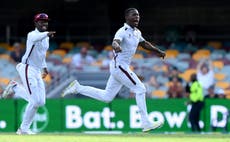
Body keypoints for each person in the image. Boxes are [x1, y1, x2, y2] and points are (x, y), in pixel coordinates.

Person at [62, 8, 165, 132]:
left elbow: (144, 44)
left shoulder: (137, 32)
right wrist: (116, 47)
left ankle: (78, 88)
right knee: (140, 88)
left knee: (107, 97)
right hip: (120, 66)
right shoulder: (122, 31)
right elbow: (115, 42)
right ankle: (145, 123)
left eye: (138, 15)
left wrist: (158, 51)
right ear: (127, 17)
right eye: (134, 15)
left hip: (120, 67)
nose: (137, 17)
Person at [2, 13, 55, 134]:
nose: (44, 23)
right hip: (27, 68)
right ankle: (23, 129)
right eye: (41, 21)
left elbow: (42, 54)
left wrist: (44, 67)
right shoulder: (32, 35)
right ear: (36, 23)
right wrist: (47, 33)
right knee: (35, 102)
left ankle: (15, 87)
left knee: (41, 102)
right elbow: (37, 38)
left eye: (46, 21)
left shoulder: (45, 37)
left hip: (37, 70)